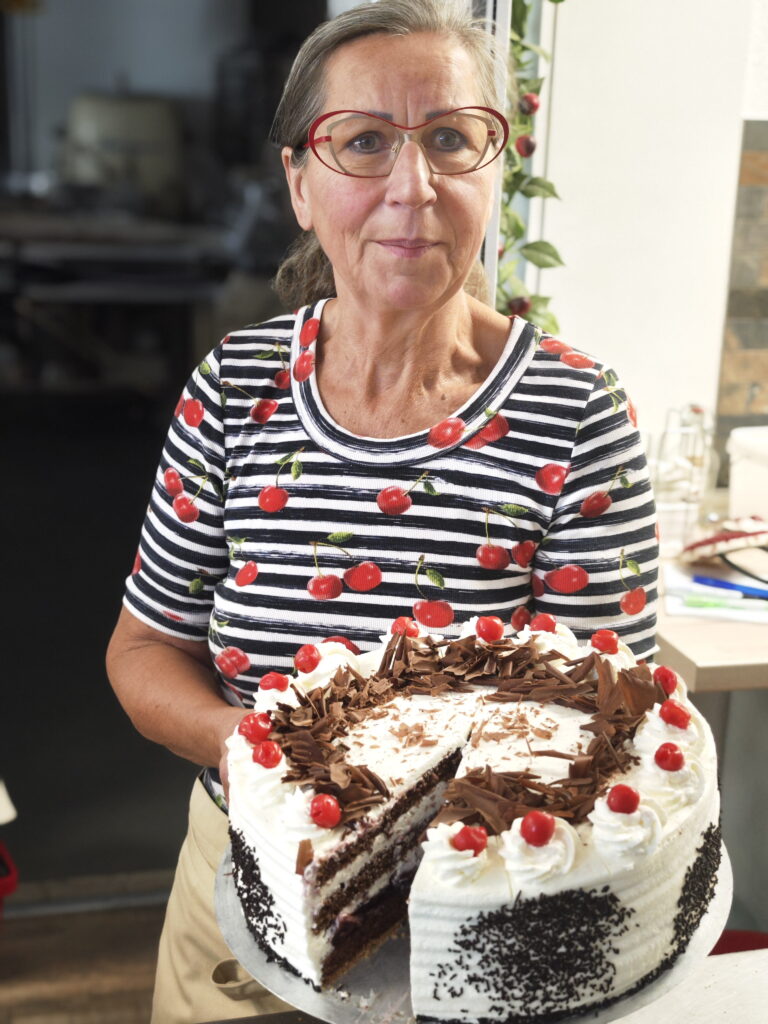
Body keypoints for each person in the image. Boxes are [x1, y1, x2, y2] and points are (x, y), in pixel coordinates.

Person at [106, 1, 659, 1021]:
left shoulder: (576, 414)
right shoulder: (234, 388)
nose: (414, 187)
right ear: (301, 185)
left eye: (452, 138)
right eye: (364, 143)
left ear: (497, 168)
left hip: (473, 919)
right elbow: (143, 651)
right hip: (241, 884)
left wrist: (416, 830)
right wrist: (273, 766)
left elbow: (595, 712)